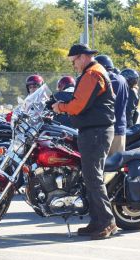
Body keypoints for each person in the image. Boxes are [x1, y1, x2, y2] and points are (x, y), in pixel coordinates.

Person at [52, 44, 117, 240]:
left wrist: (60, 107)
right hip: (94, 131)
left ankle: (107, 222)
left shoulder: (92, 74)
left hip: (96, 132)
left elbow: (78, 105)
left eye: (73, 62)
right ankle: (97, 221)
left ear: (81, 57)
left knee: (94, 178)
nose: (73, 66)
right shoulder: (94, 72)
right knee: (89, 178)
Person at [95, 54, 129, 155]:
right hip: (120, 126)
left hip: (111, 128)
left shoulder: (110, 79)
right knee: (116, 164)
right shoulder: (122, 79)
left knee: (108, 166)